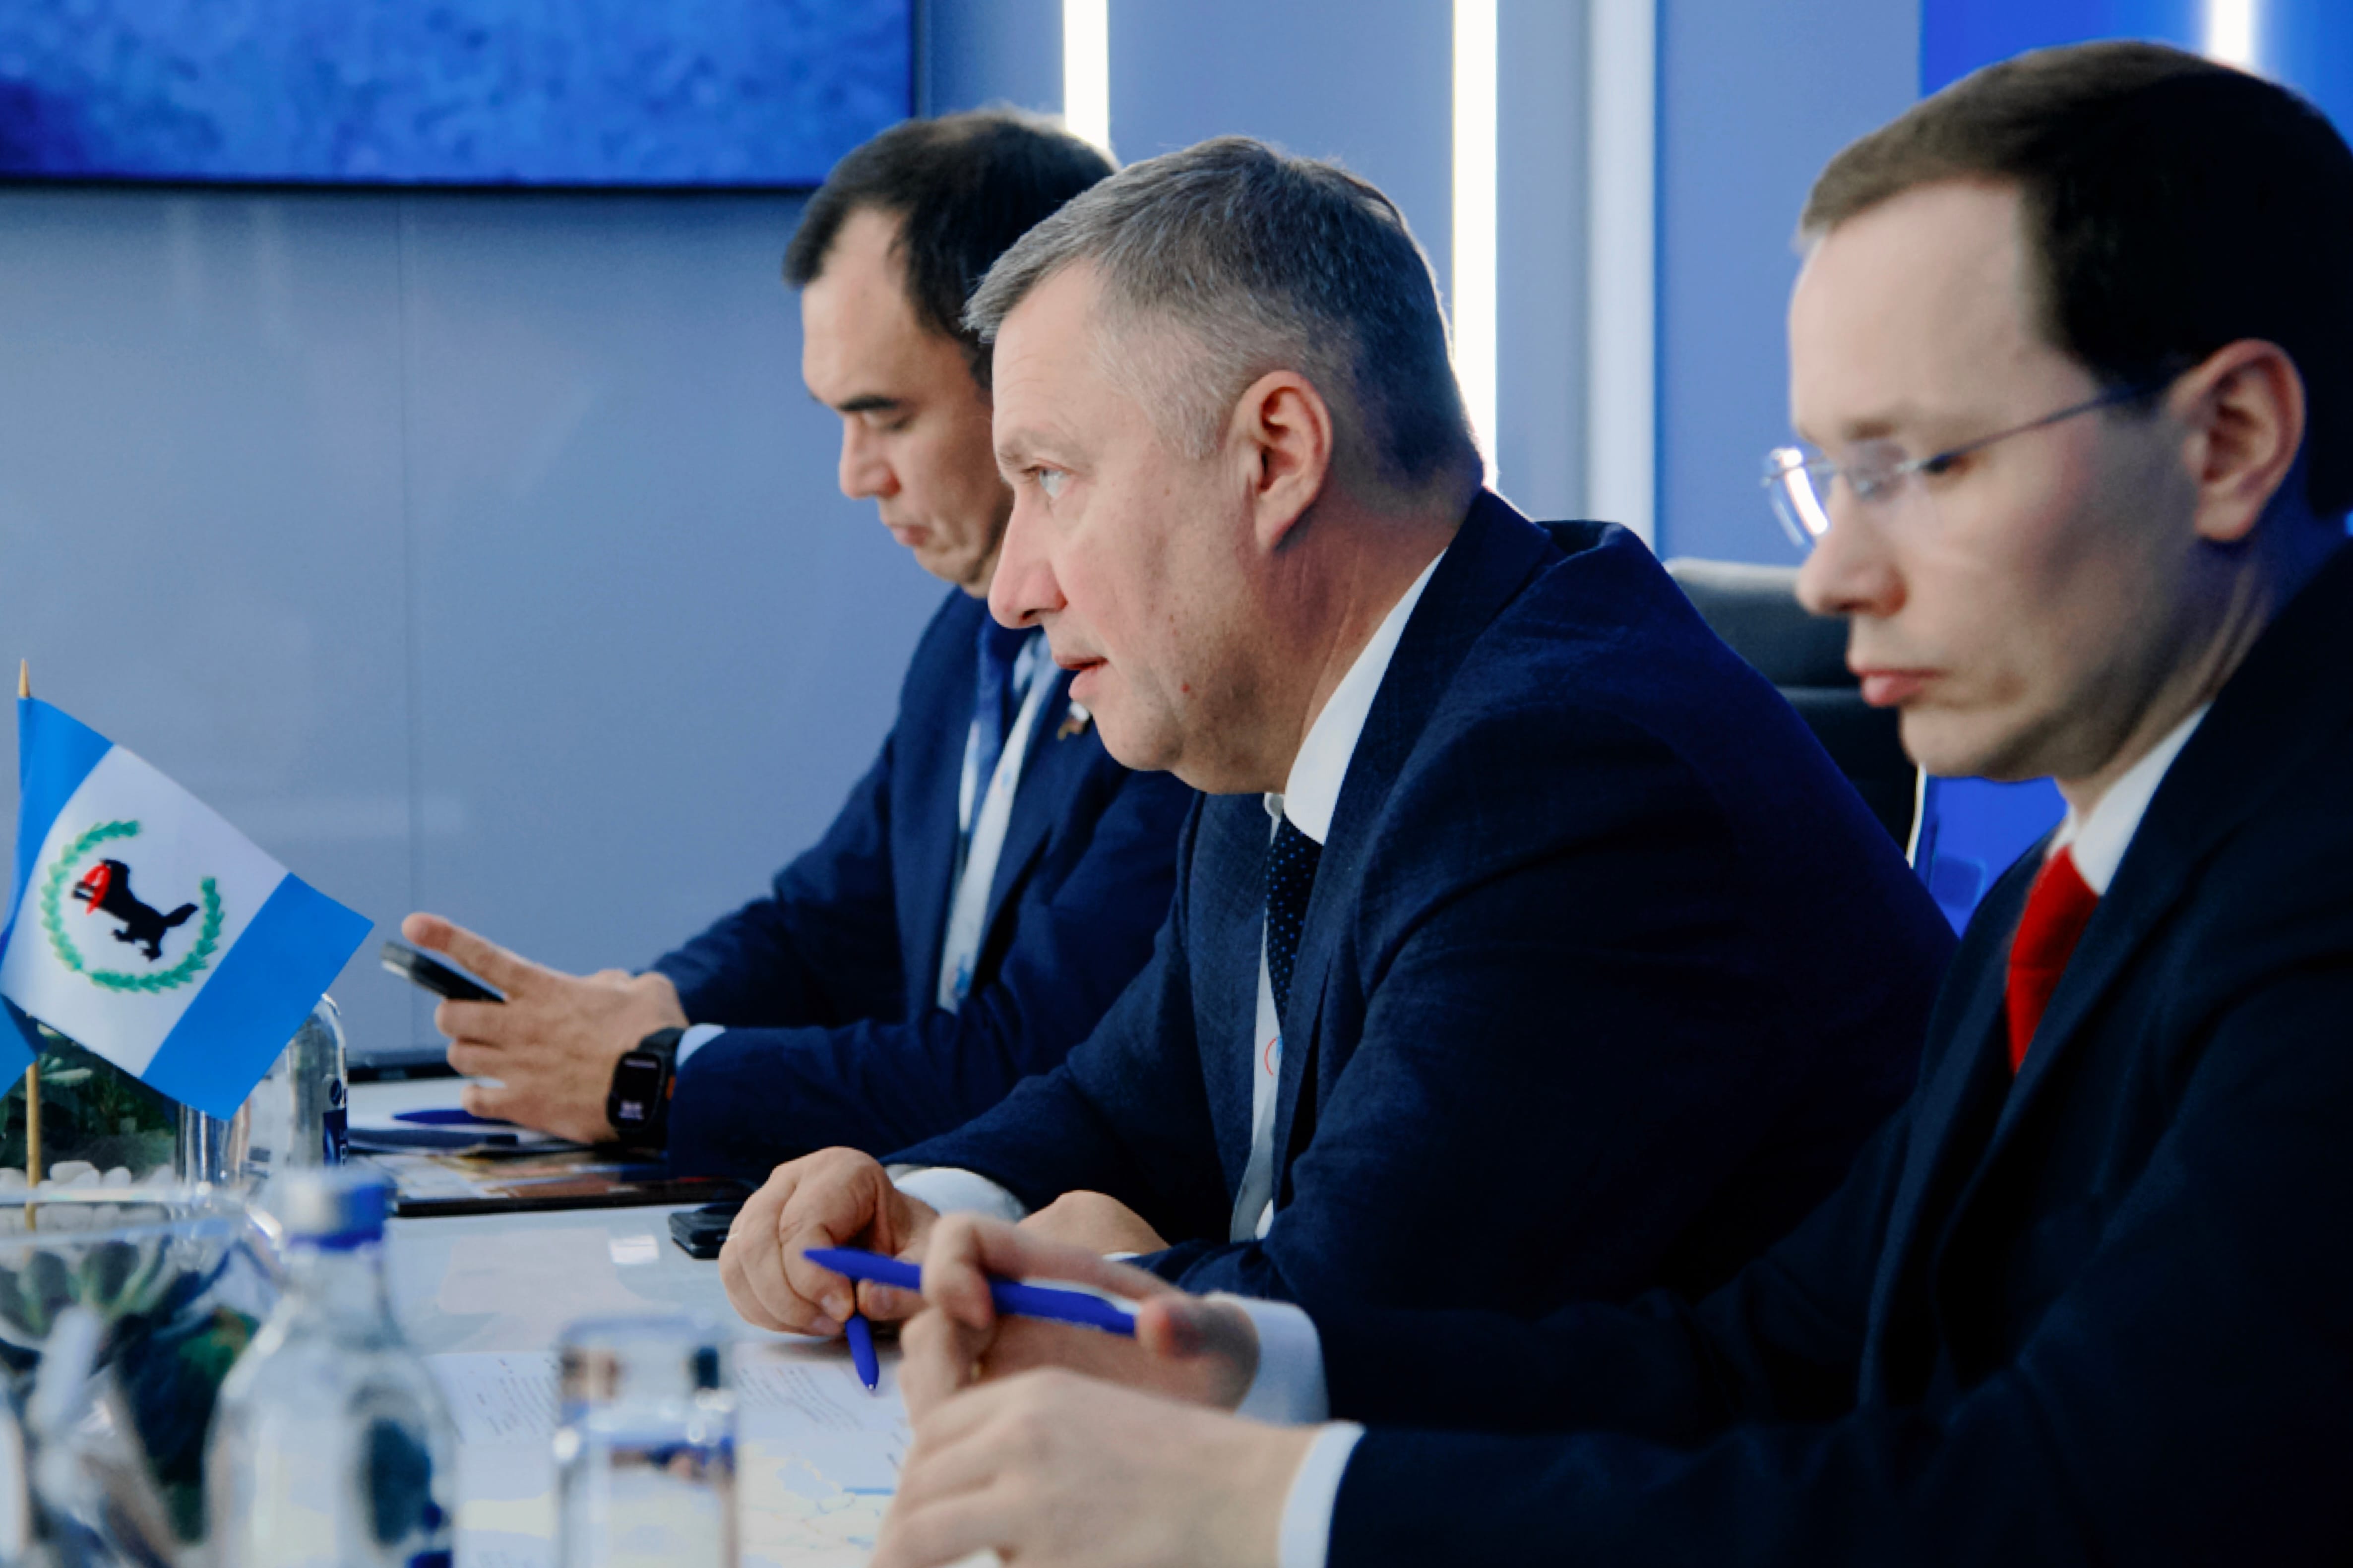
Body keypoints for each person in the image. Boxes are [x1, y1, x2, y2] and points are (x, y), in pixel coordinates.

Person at [869, 42, 2353, 1568]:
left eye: (1925, 465)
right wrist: (1235, 1365)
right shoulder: (2078, 882)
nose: (1838, 575)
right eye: (1831, 479)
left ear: (2231, 441)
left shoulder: (2318, 901)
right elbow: (1771, 1356)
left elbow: (2047, 1513)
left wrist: (1261, 1502)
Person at [717, 137, 1951, 1339]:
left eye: (1050, 478)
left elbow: (1358, 1322)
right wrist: (923, 1208)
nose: (1012, 591)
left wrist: (1066, 1276)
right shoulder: (1271, 727)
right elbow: (1123, 1110)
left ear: (1275, 455)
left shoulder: (1561, 773)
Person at [400, 111, 1196, 1177]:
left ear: (1029, 377)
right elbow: (825, 927)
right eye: (840, 420)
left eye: (888, 417)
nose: (855, 475)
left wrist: (652, 1077)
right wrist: (643, 1013)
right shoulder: (967, 638)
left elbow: (1033, 1063)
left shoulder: (1174, 667)